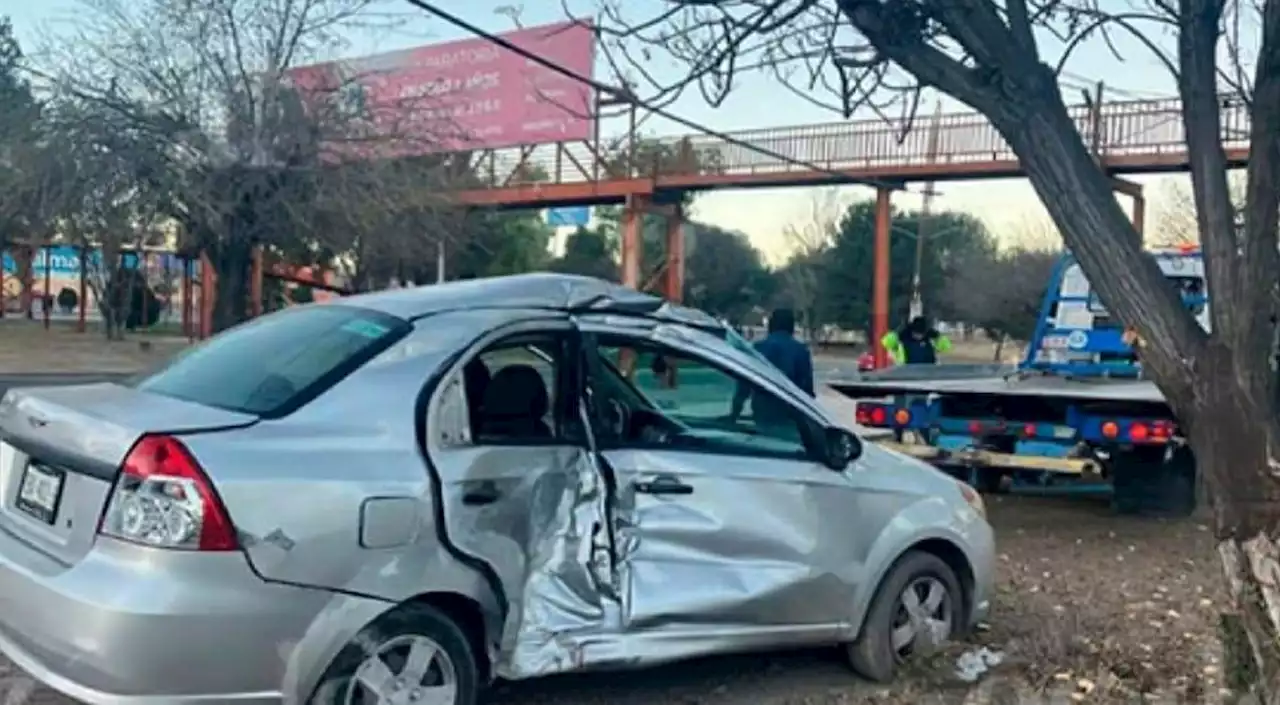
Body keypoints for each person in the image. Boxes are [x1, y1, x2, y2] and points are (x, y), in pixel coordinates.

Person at [730, 308, 815, 426]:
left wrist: (733, 415)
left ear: (770, 325)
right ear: (791, 327)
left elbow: (744, 387)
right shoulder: (801, 351)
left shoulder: (757, 348)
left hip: (763, 411)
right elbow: (807, 389)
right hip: (791, 413)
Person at [881, 316, 952, 365]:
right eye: (916, 333)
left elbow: (946, 346)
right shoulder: (902, 340)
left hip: (929, 373)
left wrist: (937, 335)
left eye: (921, 333)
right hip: (905, 373)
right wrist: (898, 333)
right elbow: (885, 342)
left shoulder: (930, 341)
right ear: (912, 331)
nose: (919, 336)